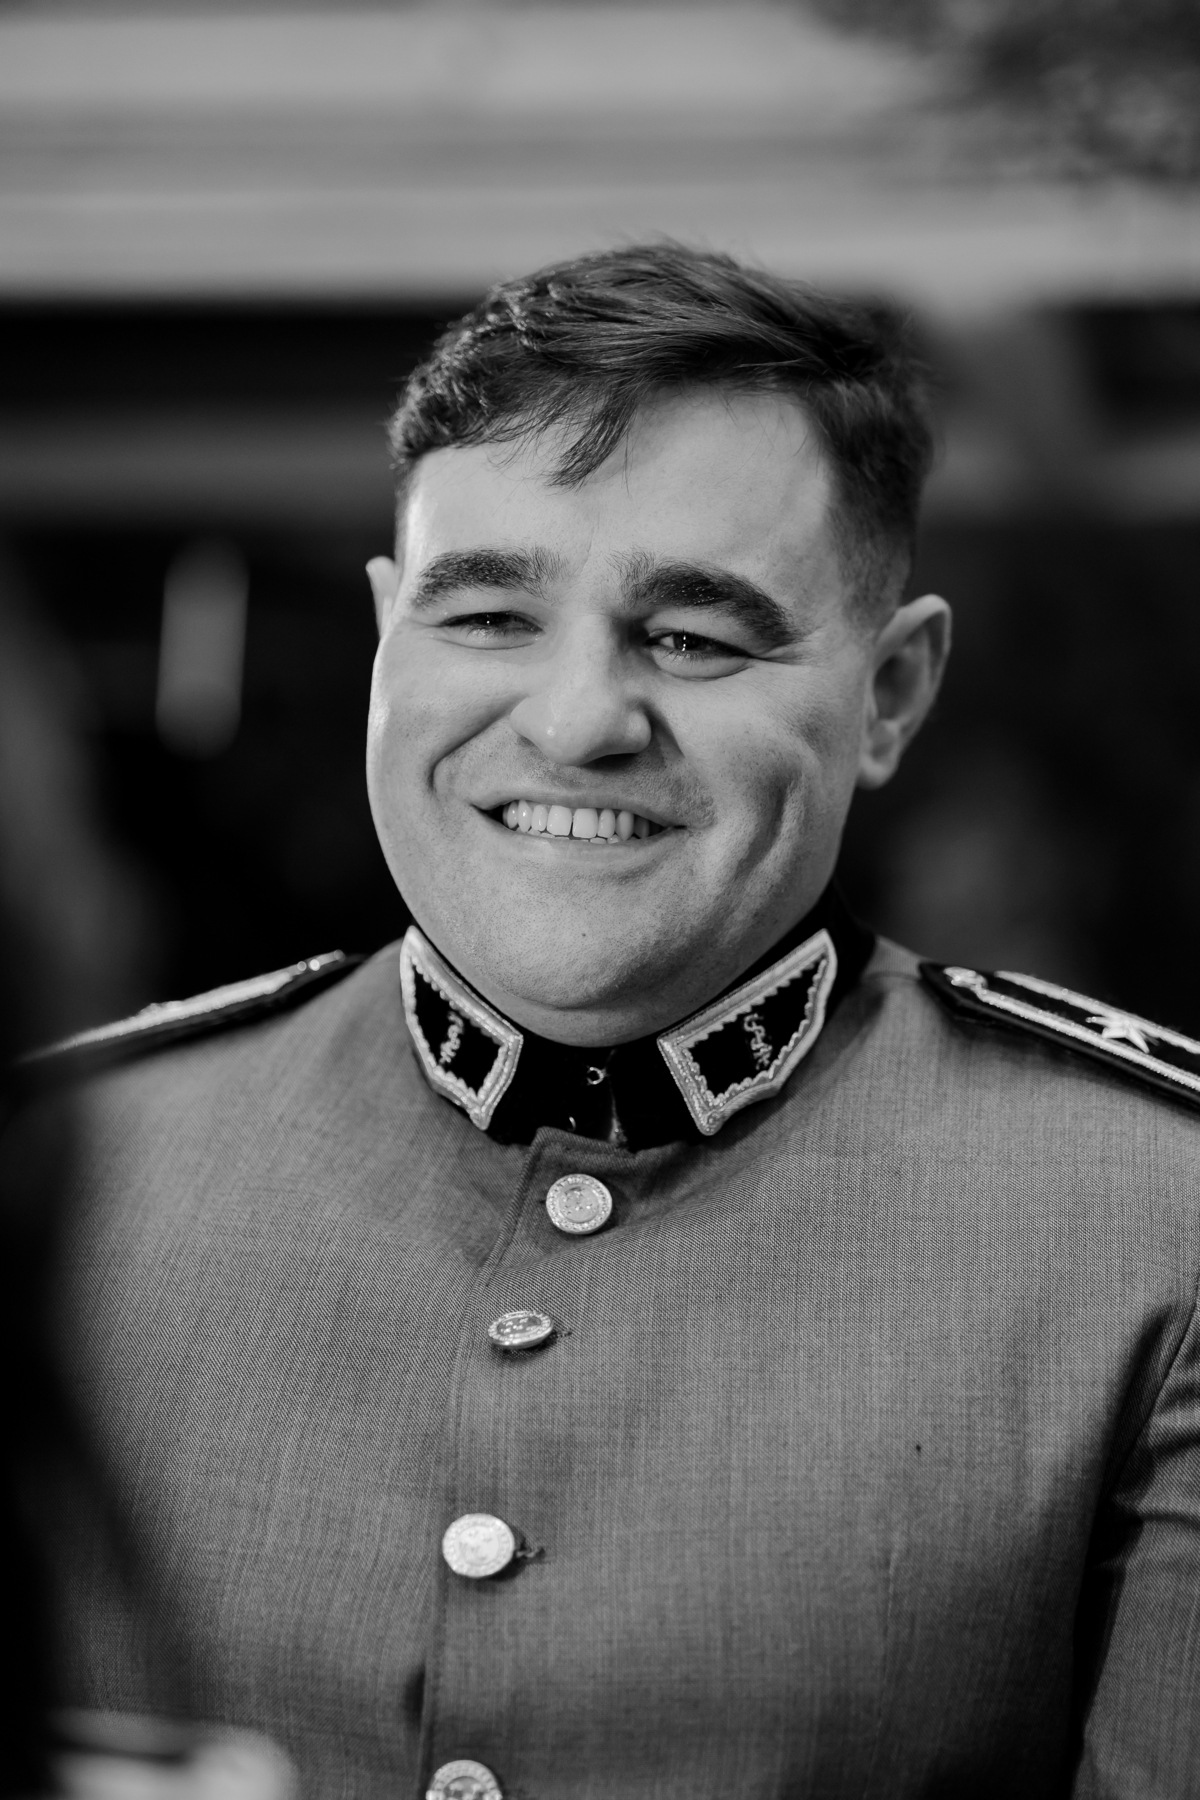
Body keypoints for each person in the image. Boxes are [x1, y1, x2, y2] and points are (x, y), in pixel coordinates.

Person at [11, 245, 1200, 1800]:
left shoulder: (1158, 1224)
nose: (577, 720)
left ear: (893, 692)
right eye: (488, 615)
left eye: (695, 637)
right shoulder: (60, 1162)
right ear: (387, 635)